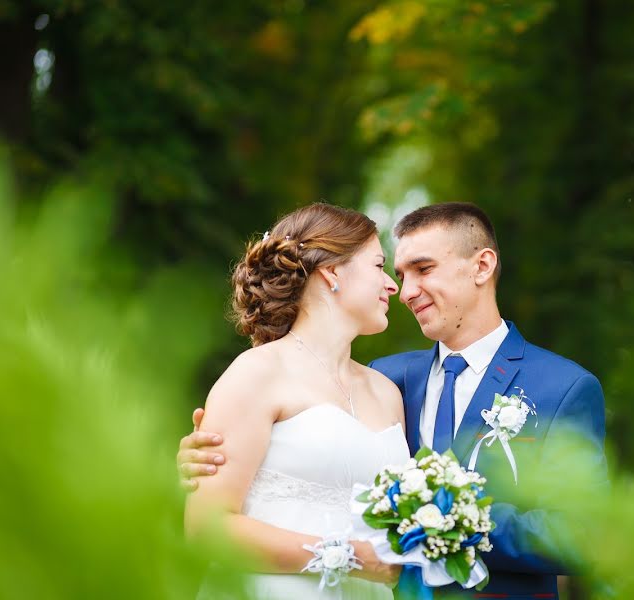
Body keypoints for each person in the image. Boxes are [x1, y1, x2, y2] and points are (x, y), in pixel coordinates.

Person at [180, 202, 607, 599]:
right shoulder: (395, 377)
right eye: (396, 272)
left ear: (482, 266)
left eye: (423, 269)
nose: (403, 291)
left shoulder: (563, 387)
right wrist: (201, 456)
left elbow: (585, 534)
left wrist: (451, 523)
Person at [184, 203, 409, 600]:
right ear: (333, 273)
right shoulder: (256, 373)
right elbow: (207, 528)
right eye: (379, 266)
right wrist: (348, 556)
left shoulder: (386, 392)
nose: (392, 285)